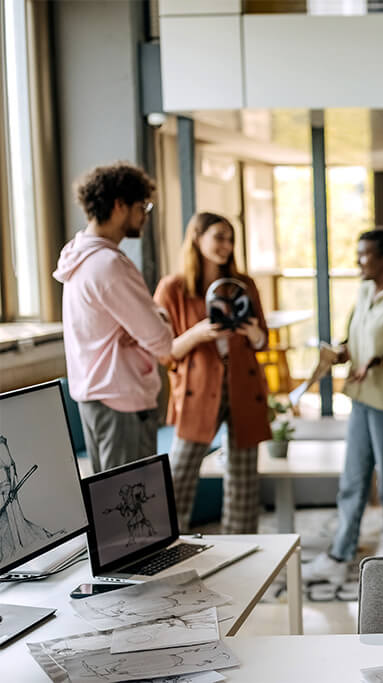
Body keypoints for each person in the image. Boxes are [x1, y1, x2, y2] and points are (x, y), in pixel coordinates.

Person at [305, 228, 383, 582]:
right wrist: (341, 352)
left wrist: (381, 361)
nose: (358, 260)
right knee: (353, 481)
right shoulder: (364, 293)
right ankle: (338, 556)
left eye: (364, 254)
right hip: (362, 399)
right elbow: (356, 339)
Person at [153, 212, 272, 534]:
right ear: (197, 237)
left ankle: (244, 552)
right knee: (179, 476)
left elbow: (263, 342)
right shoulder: (173, 288)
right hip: (197, 390)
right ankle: (169, 548)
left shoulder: (243, 285)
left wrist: (251, 333)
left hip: (244, 388)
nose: (226, 245)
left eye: (230, 238)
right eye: (219, 236)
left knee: (244, 483)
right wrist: (197, 334)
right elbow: (163, 351)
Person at [53, 162, 173, 472]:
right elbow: (162, 343)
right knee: (132, 507)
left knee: (109, 500)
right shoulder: (109, 265)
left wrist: (146, 320)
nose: (145, 216)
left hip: (94, 396)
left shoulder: (77, 254)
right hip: (121, 398)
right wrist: (159, 317)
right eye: (142, 206)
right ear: (120, 206)